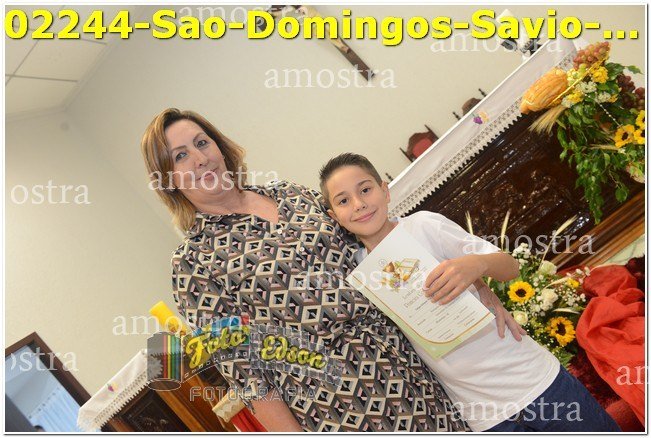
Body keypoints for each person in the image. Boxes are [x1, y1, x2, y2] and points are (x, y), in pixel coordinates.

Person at [140, 108, 526, 432]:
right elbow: (247, 375)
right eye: (180, 156)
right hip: (338, 405)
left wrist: (479, 289)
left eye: (202, 143)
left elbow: (380, 250)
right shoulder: (193, 264)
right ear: (167, 180)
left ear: (220, 146)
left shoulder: (290, 194)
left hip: (407, 363)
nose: (199, 158)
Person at [318, 152, 622, 432]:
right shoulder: (359, 274)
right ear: (334, 216)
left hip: (535, 379)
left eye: (365, 190)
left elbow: (510, 267)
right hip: (485, 415)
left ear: (385, 191)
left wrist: (477, 266)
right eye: (343, 200)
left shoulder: (424, 226)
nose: (358, 204)